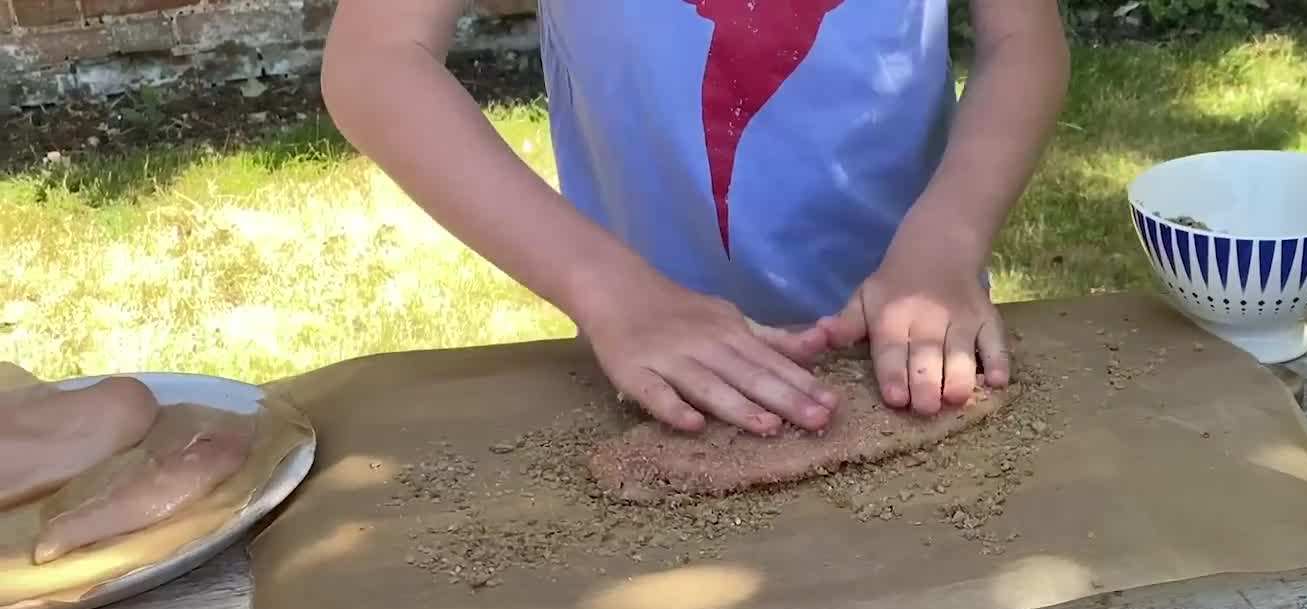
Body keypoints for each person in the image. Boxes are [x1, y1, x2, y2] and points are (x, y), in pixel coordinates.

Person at [320, 0, 1069, 437]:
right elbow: (377, 60)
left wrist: (947, 242)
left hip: (914, 355)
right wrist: (613, 293)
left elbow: (1022, 38)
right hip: (655, 370)